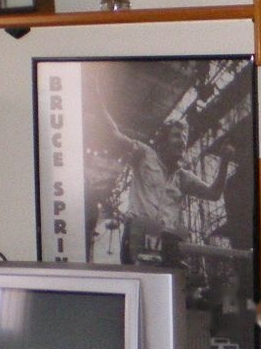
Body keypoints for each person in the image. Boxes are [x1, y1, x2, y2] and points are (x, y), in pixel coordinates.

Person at [99, 106, 235, 266]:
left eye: (184, 137)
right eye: (176, 136)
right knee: (142, 275)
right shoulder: (144, 155)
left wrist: (224, 162)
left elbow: (214, 194)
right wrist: (99, 102)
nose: (182, 141)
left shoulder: (184, 177)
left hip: (165, 239)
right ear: (163, 141)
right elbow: (114, 135)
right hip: (139, 233)